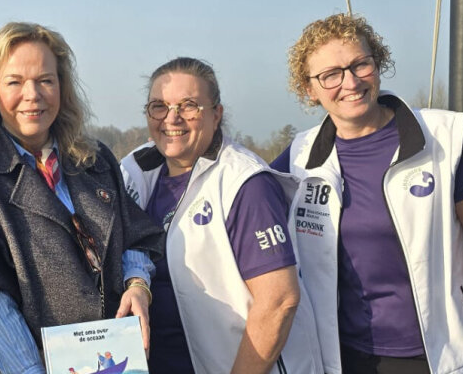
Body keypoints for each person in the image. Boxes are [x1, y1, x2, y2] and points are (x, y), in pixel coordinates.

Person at [272, 12, 463, 374]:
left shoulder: (444, 136)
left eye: (360, 65)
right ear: (310, 89)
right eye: (330, 74)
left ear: (378, 64)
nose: (350, 82)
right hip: (341, 357)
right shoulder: (299, 157)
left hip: (436, 354)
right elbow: (242, 205)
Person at [0, 22, 163, 374]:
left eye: (45, 80)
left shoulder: (95, 159)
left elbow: (134, 234)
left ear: (62, 87)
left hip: (116, 361)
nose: (33, 95)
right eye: (14, 82)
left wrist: (138, 286)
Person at [120, 57, 322, 373]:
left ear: (217, 114)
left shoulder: (245, 182)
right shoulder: (134, 171)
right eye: (159, 106)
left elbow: (279, 301)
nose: (172, 119)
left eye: (188, 106)